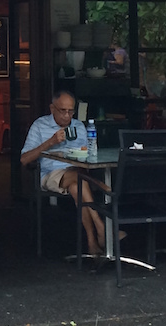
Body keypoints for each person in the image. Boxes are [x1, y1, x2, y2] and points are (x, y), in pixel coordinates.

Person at [20, 91, 110, 255]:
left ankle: (91, 242)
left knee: (77, 186)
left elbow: (87, 154)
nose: (67, 115)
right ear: (52, 108)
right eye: (63, 111)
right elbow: (24, 159)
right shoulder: (40, 125)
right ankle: (101, 225)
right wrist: (50, 142)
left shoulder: (78, 126)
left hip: (75, 173)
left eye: (71, 111)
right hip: (50, 173)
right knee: (80, 180)